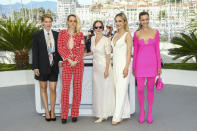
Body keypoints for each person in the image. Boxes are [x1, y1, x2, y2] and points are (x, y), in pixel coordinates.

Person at [132, 11, 162, 124]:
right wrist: (134, 67)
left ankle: (149, 112)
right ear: (140, 21)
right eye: (143, 19)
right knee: (140, 89)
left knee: (150, 89)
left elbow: (157, 51)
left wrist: (159, 66)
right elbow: (135, 52)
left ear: (149, 19)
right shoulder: (137, 34)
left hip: (152, 65)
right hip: (140, 65)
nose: (145, 21)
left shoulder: (155, 32)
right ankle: (142, 112)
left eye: (146, 19)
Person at [32, 14, 62, 121]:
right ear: (42, 23)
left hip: (53, 66)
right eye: (46, 21)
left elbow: (59, 50)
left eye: (50, 21)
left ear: (52, 23)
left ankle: (53, 111)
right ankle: (46, 110)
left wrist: (60, 60)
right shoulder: (37, 36)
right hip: (41, 66)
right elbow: (35, 52)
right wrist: (35, 67)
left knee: (53, 89)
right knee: (43, 88)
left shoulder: (56, 34)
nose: (48, 24)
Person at [84, 20, 115, 123]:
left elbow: (107, 56)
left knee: (105, 91)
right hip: (96, 68)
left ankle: (104, 114)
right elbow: (93, 51)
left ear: (103, 28)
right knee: (98, 91)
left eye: (100, 27)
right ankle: (100, 112)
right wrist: (85, 54)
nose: (98, 29)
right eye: (96, 27)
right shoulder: (93, 38)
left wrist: (106, 70)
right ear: (93, 28)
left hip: (104, 68)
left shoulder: (106, 40)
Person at [58, 14, 85, 124]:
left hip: (78, 64)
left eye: (74, 21)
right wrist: (69, 60)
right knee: (65, 90)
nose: (72, 23)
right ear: (67, 22)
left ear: (76, 23)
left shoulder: (80, 34)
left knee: (77, 89)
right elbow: (60, 48)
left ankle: (74, 114)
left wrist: (76, 60)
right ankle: (64, 115)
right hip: (67, 64)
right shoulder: (62, 33)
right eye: (70, 21)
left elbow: (82, 49)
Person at [111, 13, 133, 125]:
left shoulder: (127, 35)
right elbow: (113, 51)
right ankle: (125, 113)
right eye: (116, 21)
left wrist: (126, 67)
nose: (118, 23)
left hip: (124, 66)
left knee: (120, 91)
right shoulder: (115, 35)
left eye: (120, 21)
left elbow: (129, 52)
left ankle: (117, 117)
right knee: (119, 90)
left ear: (124, 22)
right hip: (115, 66)